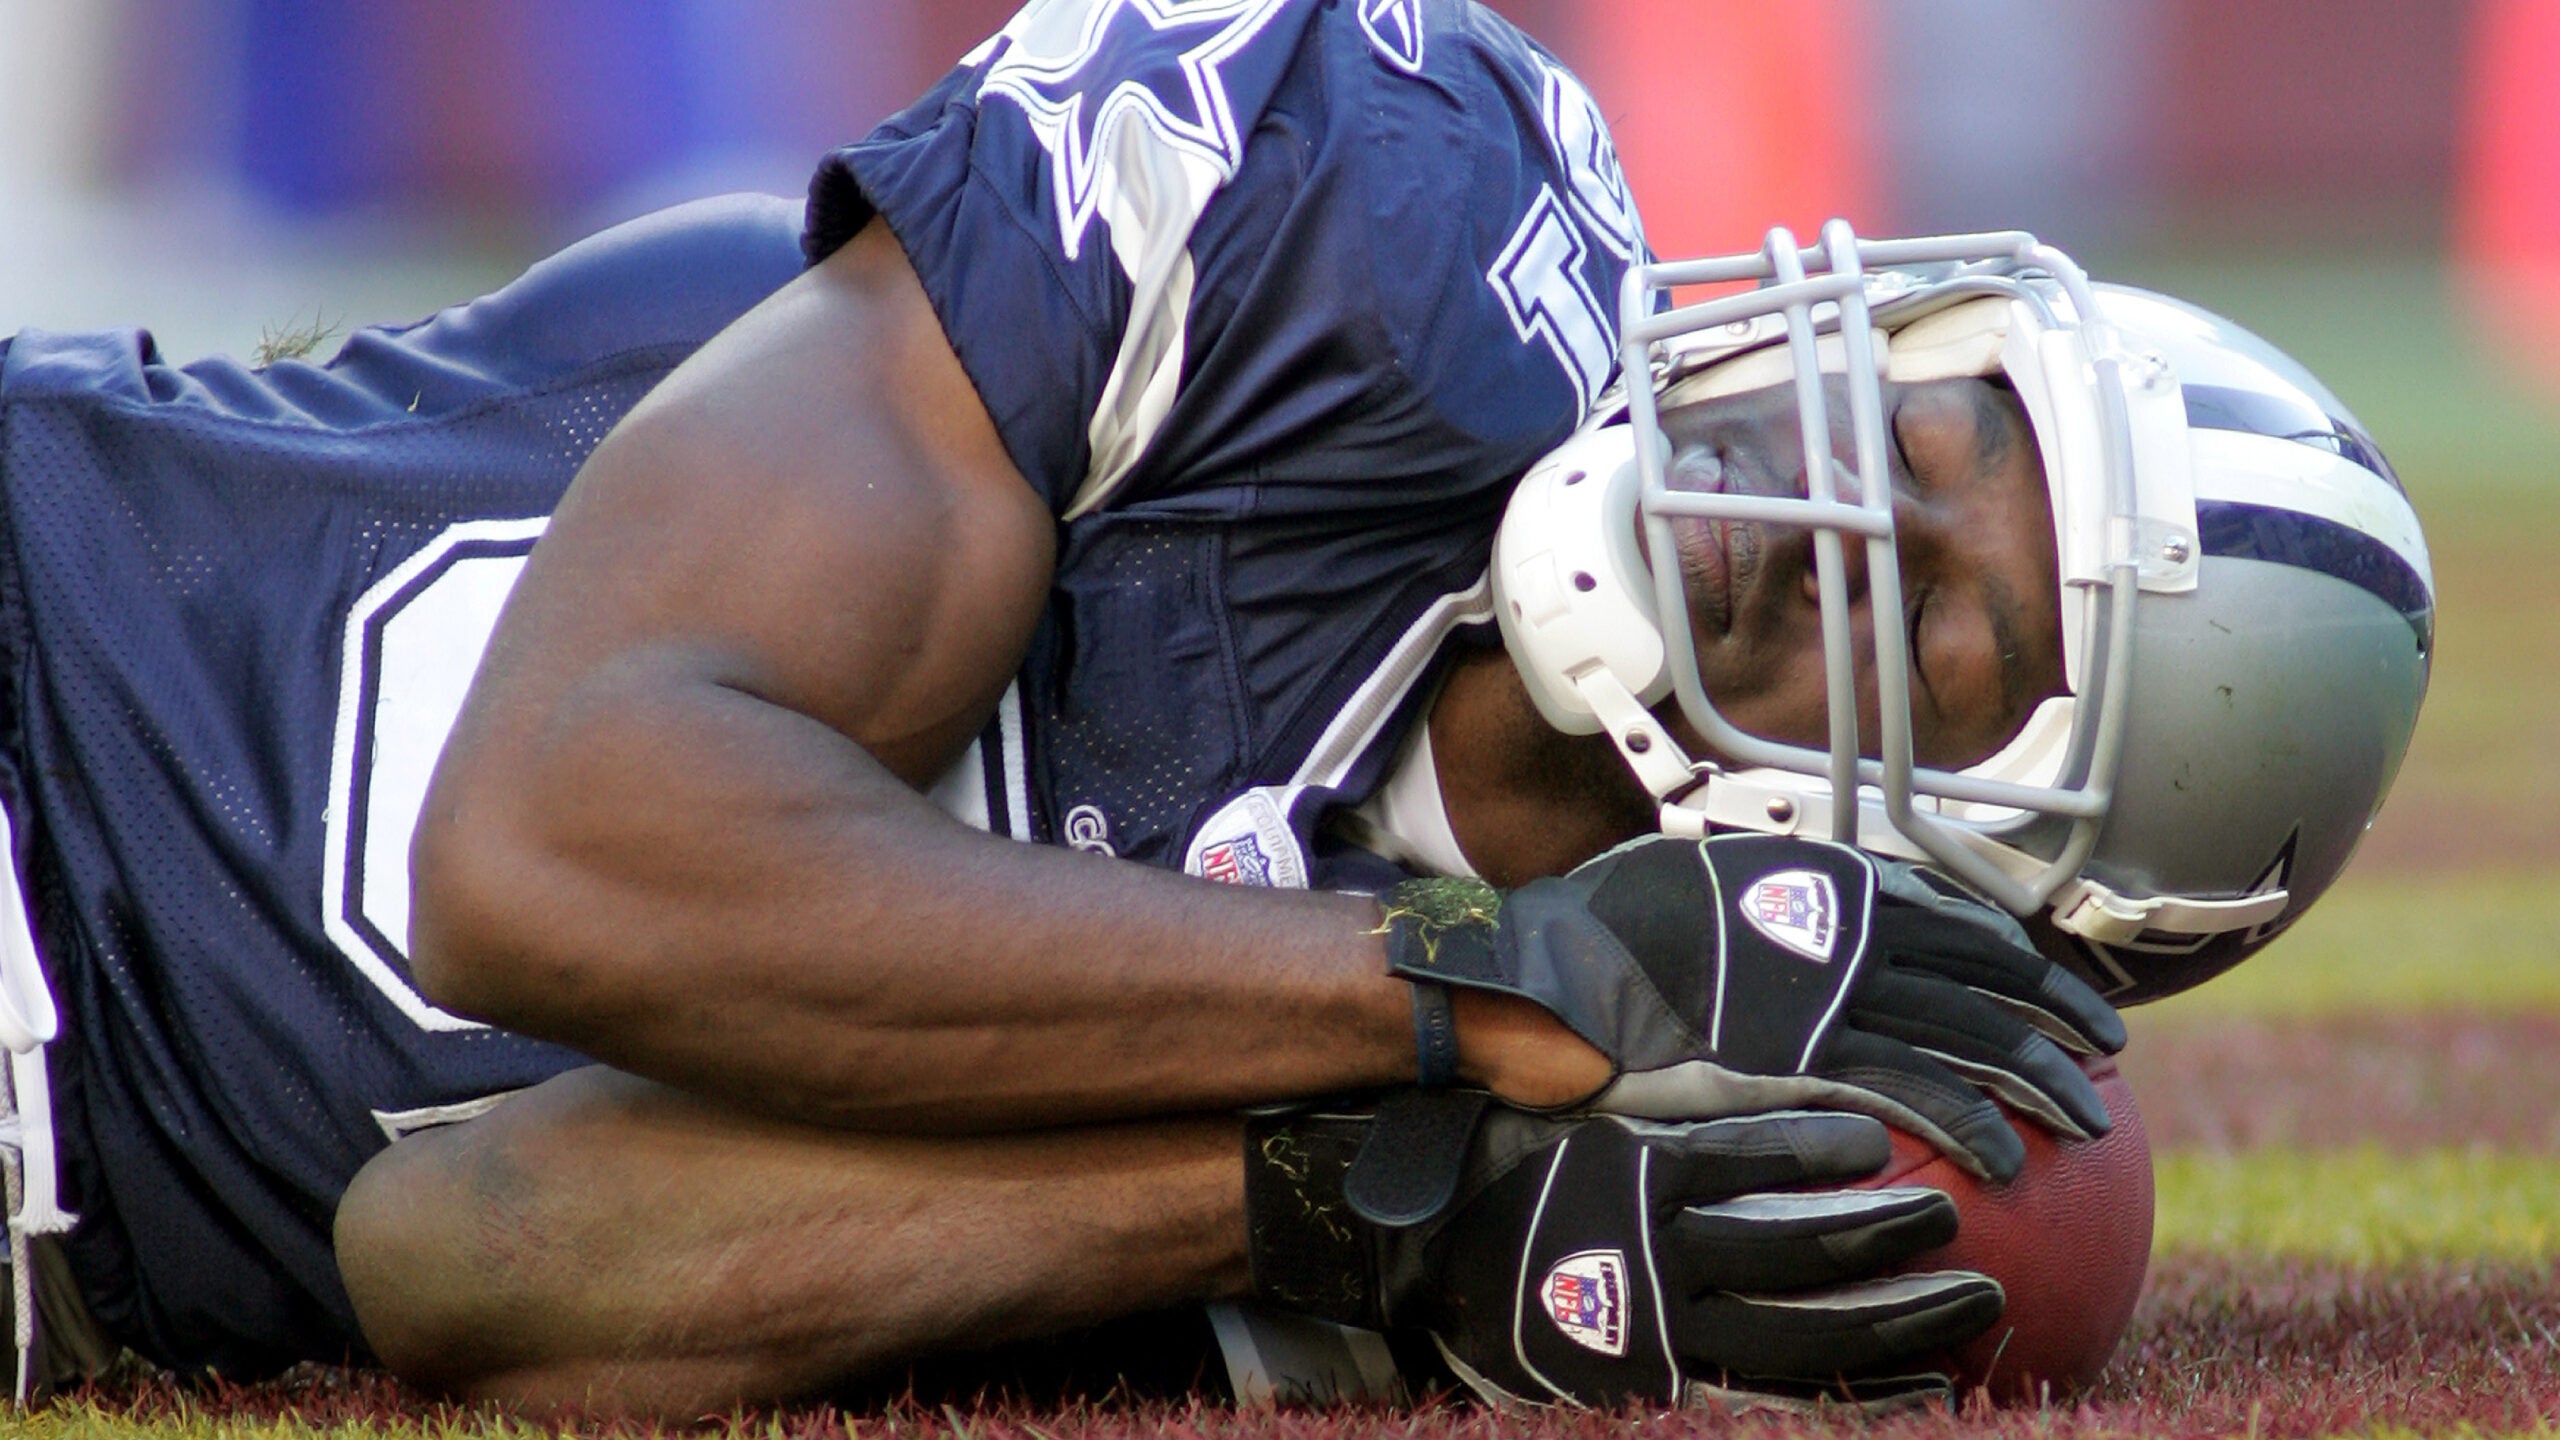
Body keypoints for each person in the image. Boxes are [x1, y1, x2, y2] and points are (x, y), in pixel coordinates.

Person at [0, 0, 2427, 1418]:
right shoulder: (1382, 206)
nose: (1844, 525)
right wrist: (1486, 994)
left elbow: (475, 1253)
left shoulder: (1567, 1121)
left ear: (1951, 876)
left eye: (1958, 640)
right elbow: (552, 845)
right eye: (1914, 431)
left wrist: (1363, 1212)